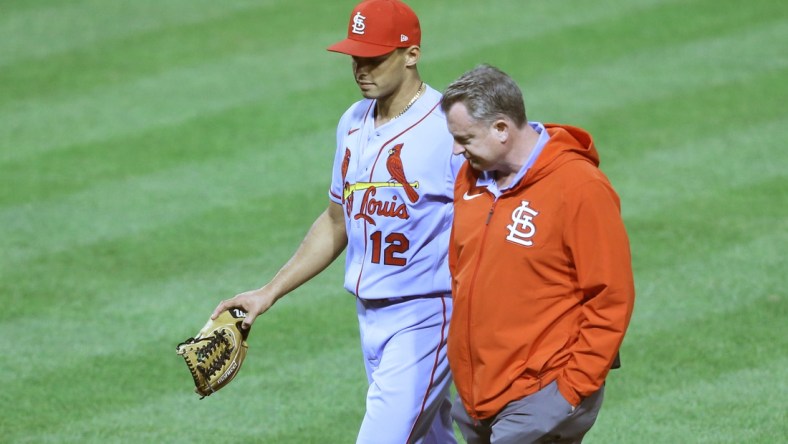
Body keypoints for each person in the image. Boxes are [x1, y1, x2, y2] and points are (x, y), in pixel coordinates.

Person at [212, 1, 463, 443]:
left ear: (412, 54)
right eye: (355, 58)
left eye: (375, 58)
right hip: (370, 317)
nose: (362, 69)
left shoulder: (448, 130)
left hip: (427, 314)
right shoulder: (352, 122)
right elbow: (335, 222)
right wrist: (267, 293)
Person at [440, 64, 636, 443]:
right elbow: (462, 271)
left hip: (541, 393)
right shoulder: (472, 177)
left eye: (464, 138)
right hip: (478, 392)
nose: (455, 150)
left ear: (501, 129)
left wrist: (571, 388)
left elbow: (611, 296)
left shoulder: (578, 187)